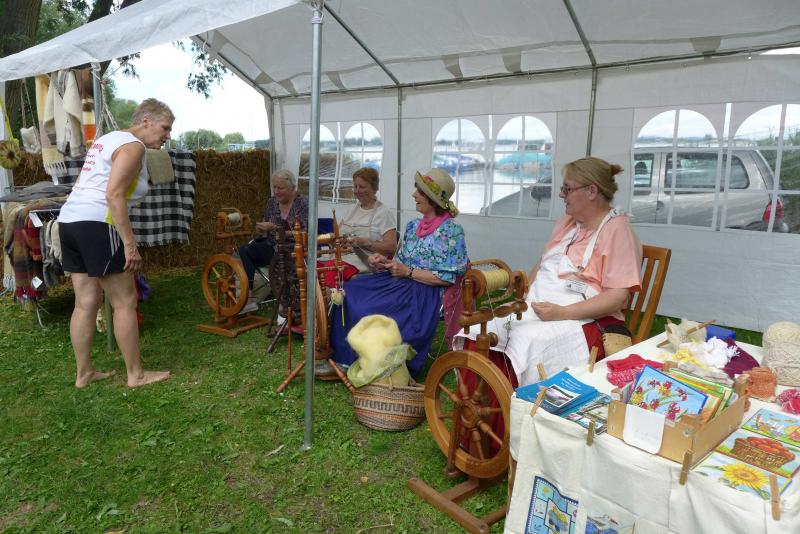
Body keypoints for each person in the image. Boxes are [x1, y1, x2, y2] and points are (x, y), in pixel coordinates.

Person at [456, 157, 642, 387]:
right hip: (545, 308)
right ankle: (475, 405)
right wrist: (525, 297)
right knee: (480, 329)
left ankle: (508, 406)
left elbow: (617, 297)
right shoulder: (569, 223)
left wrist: (562, 312)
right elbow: (546, 262)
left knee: (524, 340)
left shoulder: (618, 231)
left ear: (592, 191)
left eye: (567, 189)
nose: (561, 194)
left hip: (588, 319)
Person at [58, 98, 173, 388]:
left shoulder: (107, 139)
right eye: (165, 127)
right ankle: (136, 375)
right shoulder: (133, 146)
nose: (168, 135)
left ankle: (84, 373)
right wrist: (130, 245)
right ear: (145, 121)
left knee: (85, 302)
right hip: (98, 223)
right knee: (125, 301)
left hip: (70, 221)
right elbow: (114, 195)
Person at [330, 168, 468, 377]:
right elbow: (400, 263)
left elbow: (447, 278)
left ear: (432, 199)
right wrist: (383, 262)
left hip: (423, 292)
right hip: (400, 281)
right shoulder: (413, 226)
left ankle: (365, 361)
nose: (414, 195)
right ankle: (344, 357)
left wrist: (408, 272)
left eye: (420, 192)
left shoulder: (451, 231)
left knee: (365, 305)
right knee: (349, 291)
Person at [238, 169, 309, 313]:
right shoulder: (272, 202)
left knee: (281, 258)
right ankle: (248, 297)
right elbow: (267, 223)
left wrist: (276, 228)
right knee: (245, 250)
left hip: (293, 248)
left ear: (292, 188)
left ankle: (285, 301)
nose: (276, 191)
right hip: (272, 245)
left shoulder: (303, 203)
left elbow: (304, 232)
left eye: (280, 188)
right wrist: (262, 229)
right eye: (274, 187)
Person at [337, 167, 397, 274]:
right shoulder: (351, 210)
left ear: (374, 188)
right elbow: (337, 234)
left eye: (362, 187)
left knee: (328, 272)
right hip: (341, 258)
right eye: (355, 186)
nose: (357, 191)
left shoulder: (383, 213)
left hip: (365, 264)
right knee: (313, 267)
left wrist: (366, 242)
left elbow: (391, 247)